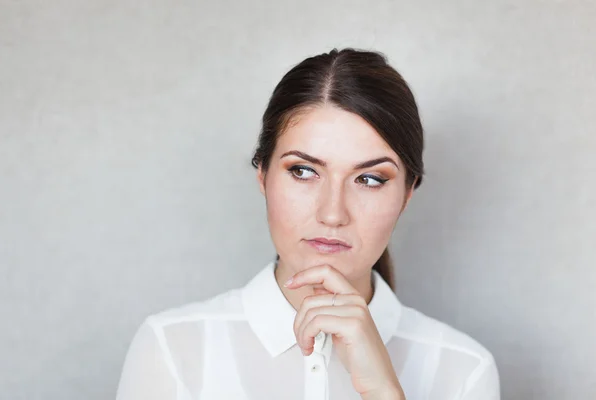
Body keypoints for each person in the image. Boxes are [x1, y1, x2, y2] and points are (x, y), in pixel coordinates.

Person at [116, 48, 500, 400]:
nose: (332, 213)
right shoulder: (173, 349)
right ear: (263, 175)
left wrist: (384, 392)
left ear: (407, 193)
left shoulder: (462, 370)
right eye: (303, 171)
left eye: (369, 179)